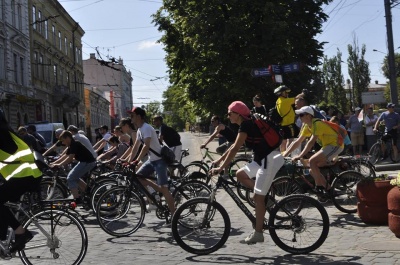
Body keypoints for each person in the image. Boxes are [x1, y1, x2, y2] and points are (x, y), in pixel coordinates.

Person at [210, 101, 284, 244]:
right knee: (240, 174)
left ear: (238, 114)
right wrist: (219, 161)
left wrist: (220, 168)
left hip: (269, 159)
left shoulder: (246, 125)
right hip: (260, 160)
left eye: (230, 113)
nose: (228, 116)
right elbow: (234, 146)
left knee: (257, 197)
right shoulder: (247, 124)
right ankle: (264, 198)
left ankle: (258, 233)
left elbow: (235, 148)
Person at [0, 109, 42, 253]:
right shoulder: (8, 133)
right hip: (26, 176)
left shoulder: (1, 135)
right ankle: (3, 238)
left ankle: (21, 232)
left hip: (24, 177)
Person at [283, 106, 344, 200]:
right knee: (312, 169)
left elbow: (310, 142)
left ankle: (318, 188)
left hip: (336, 145)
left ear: (309, 116)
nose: (300, 117)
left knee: (312, 161)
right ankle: (330, 190)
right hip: (327, 146)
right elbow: (297, 142)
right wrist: (285, 154)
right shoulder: (308, 126)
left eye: (302, 115)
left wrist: (300, 156)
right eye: (299, 115)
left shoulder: (317, 124)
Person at [127, 107, 175, 215]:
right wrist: (129, 161)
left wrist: (137, 160)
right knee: (137, 178)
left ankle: (174, 214)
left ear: (139, 116)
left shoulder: (146, 128)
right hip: (151, 161)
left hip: (159, 161)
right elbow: (135, 147)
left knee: (164, 189)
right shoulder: (140, 130)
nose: (131, 118)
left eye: (132, 115)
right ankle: (155, 197)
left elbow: (146, 146)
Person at [50, 131, 96, 202]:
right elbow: (65, 156)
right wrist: (54, 163)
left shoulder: (75, 144)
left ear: (68, 138)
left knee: (70, 178)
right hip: (84, 162)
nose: (63, 143)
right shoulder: (71, 144)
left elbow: (70, 158)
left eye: (63, 140)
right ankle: (89, 191)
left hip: (87, 162)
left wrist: (59, 165)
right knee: (74, 177)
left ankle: (77, 199)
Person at [274, 85, 299, 152]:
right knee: (290, 140)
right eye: (285, 92)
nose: (287, 94)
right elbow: (297, 99)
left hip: (282, 124)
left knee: (283, 141)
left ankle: (282, 156)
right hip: (289, 124)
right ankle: (288, 155)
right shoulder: (285, 101)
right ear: (280, 93)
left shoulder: (278, 101)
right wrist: (303, 93)